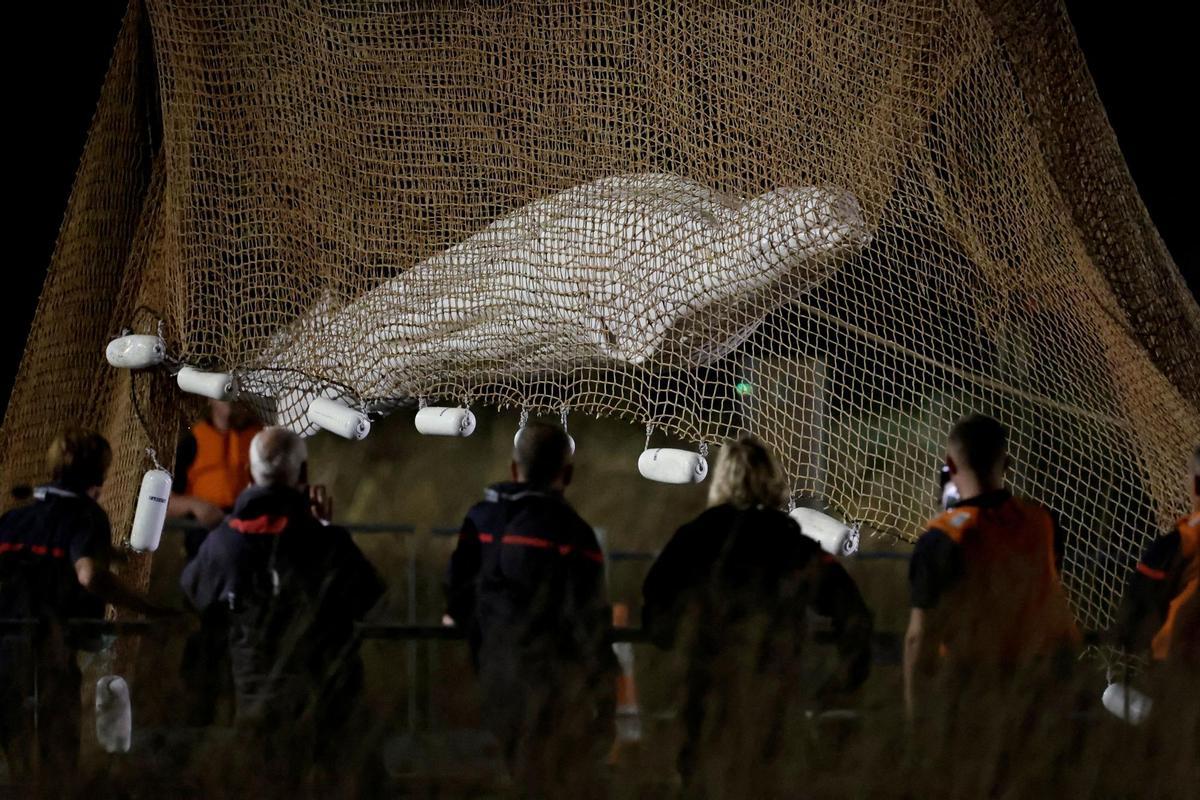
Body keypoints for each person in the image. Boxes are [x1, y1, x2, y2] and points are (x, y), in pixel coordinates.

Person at [642, 434, 871, 794]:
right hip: (772, 699)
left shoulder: (692, 539)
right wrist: (844, 677)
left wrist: (674, 641)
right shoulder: (791, 544)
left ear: (722, 478)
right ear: (771, 480)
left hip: (706, 694)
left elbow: (655, 607)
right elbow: (851, 609)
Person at [180, 426, 384, 795]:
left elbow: (194, 594)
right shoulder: (327, 541)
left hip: (259, 706)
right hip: (329, 704)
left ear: (248, 475)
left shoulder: (225, 543)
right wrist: (323, 524)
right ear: (303, 475)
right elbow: (370, 597)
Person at [902, 414, 1080, 788]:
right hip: (1043, 688)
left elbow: (920, 638)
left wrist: (917, 720)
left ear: (949, 467)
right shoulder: (1043, 521)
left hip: (974, 692)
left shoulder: (943, 538)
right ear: (1007, 464)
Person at [445, 422, 616, 796]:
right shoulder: (574, 533)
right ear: (566, 474)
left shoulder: (480, 519)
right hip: (556, 689)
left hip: (495, 680)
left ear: (512, 469)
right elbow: (592, 621)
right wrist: (606, 699)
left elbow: (457, 595)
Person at [0, 429, 169, 796]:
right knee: (55, 757)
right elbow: (89, 575)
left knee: (15, 757)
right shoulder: (86, 516)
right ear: (100, 476)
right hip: (49, 650)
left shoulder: (15, 518)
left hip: (4, 650)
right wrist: (147, 607)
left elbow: (47, 554)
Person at [169, 398, 260, 725]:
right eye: (226, 391)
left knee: (251, 643)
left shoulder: (261, 437)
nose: (235, 400)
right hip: (205, 556)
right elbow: (163, 500)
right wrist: (196, 505)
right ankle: (197, 727)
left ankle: (246, 729)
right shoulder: (192, 442)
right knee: (204, 641)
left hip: (252, 557)